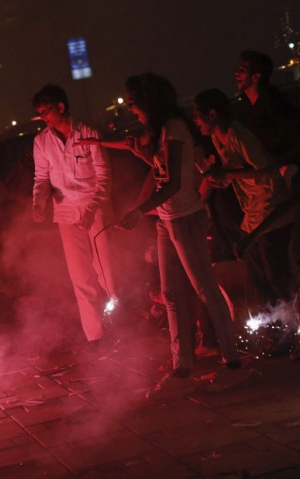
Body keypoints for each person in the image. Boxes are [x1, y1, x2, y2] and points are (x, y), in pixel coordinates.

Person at [117, 74, 248, 399]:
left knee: (205, 290)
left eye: (133, 103)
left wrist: (138, 211)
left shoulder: (175, 128)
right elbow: (164, 172)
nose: (131, 111)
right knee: (171, 294)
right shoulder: (163, 131)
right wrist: (143, 157)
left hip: (186, 219)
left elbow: (176, 183)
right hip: (167, 220)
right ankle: (182, 370)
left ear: (148, 102)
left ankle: (234, 365)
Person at [30, 84, 117, 346]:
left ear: (61, 107)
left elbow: (104, 178)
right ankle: (96, 336)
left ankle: (121, 324)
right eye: (40, 113)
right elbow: (41, 178)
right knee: (80, 277)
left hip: (97, 209)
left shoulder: (88, 133)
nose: (43, 117)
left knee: (107, 272)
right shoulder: (41, 141)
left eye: (46, 111)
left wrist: (91, 210)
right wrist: (39, 202)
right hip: (66, 214)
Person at [193, 88, 293, 305]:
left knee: (276, 274)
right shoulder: (218, 139)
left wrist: (226, 173)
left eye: (197, 115)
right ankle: (275, 323)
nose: (194, 121)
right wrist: (223, 179)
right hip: (253, 211)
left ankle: (290, 321)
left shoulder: (238, 135)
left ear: (212, 114)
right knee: (258, 273)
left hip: (270, 207)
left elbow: (264, 169)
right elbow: (240, 171)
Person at [233, 50, 300, 176]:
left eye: (242, 71)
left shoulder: (275, 104)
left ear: (256, 76)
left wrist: (283, 164)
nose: (236, 74)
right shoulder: (246, 107)